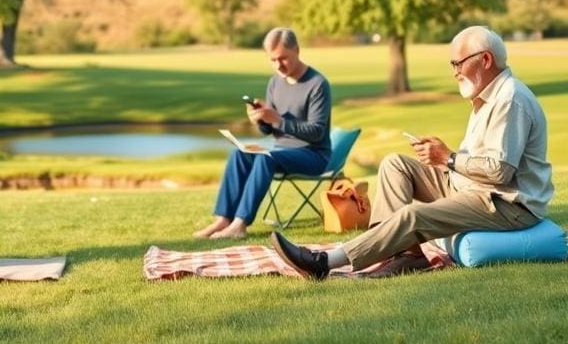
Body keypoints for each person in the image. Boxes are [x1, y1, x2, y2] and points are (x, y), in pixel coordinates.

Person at [271, 25, 553, 280]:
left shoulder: (510, 100)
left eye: (457, 63)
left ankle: (322, 262)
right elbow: (485, 161)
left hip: (505, 205)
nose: (454, 71)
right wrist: (443, 157)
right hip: (472, 187)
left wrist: (449, 158)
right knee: (396, 165)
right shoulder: (486, 98)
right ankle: (405, 256)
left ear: (486, 60)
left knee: (414, 215)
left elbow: (500, 171)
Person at [194, 27, 332, 239]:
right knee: (240, 153)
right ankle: (223, 219)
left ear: (297, 50)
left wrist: (277, 119)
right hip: (281, 150)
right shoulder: (275, 82)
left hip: (313, 155)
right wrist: (261, 119)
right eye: (273, 60)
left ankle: (240, 224)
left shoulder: (317, 84)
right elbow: (269, 130)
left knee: (266, 158)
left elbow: (316, 132)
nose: (278, 65)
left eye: (283, 58)